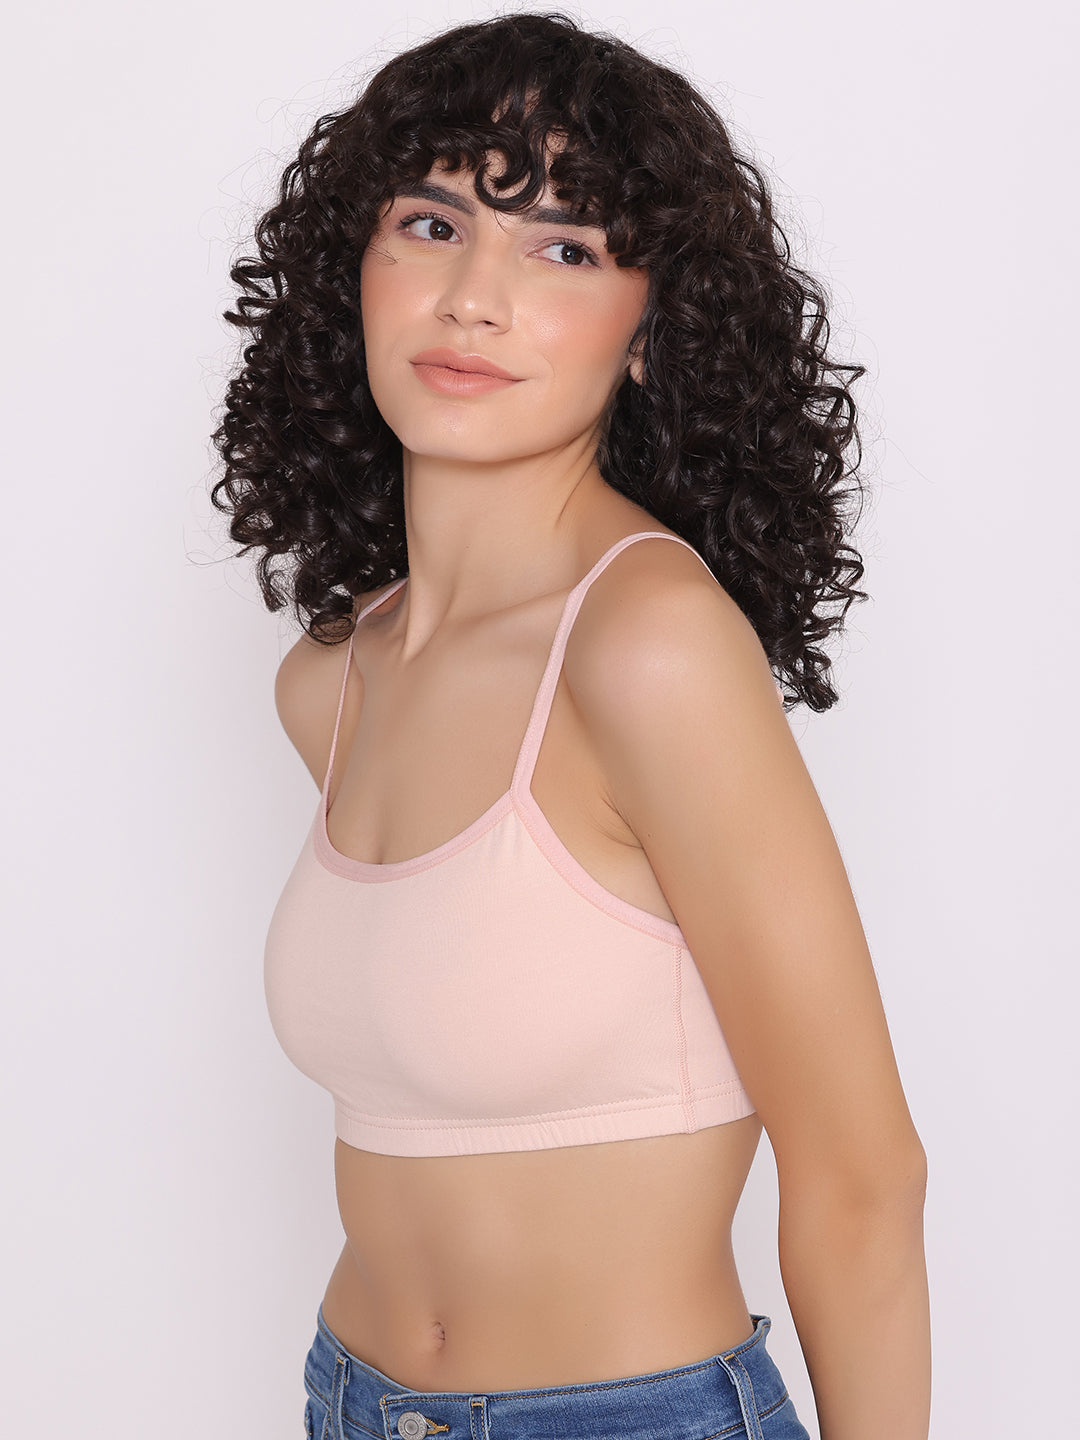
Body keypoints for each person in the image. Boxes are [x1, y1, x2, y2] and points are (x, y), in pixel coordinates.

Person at [211, 13, 930, 1439]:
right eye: (432, 224)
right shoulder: (332, 681)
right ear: (353, 272)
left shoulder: (648, 646)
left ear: (653, 334)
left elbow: (862, 1176)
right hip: (349, 1399)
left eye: (565, 250)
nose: (474, 299)